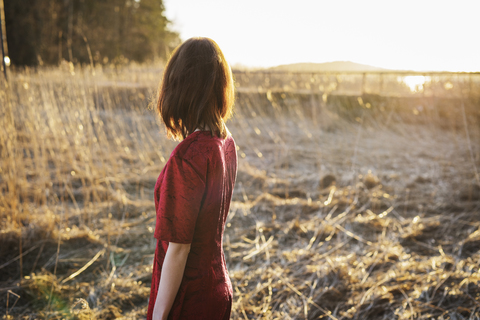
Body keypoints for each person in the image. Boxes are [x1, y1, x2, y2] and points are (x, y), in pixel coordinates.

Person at [147, 37, 237, 320]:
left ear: (179, 86)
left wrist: (159, 316)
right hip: (218, 288)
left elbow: (179, 250)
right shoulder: (226, 142)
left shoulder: (188, 157)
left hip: (189, 299)